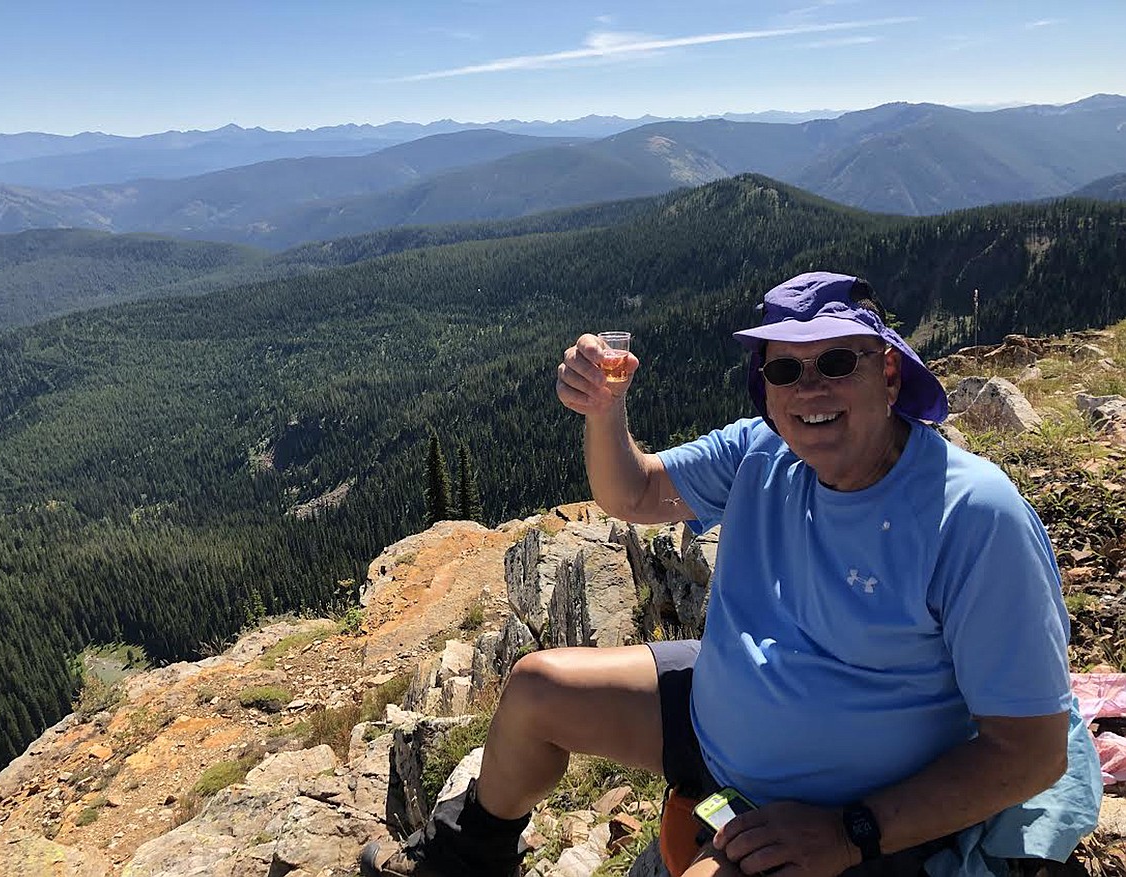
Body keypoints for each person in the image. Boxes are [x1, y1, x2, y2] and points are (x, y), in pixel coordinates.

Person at [362, 272, 1100, 877]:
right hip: (716, 719)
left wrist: (850, 833)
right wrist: (603, 410)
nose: (808, 389)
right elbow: (634, 493)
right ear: (766, 387)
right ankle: (462, 859)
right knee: (536, 687)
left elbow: (1029, 751)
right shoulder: (762, 451)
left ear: (887, 370)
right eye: (785, 368)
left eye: (835, 361)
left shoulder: (971, 515)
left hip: (843, 809)